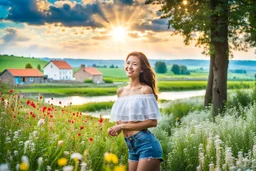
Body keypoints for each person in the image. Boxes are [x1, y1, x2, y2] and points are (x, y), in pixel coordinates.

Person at [107, 52, 163, 171]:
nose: (130, 67)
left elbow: (153, 122)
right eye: (128, 63)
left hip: (146, 144)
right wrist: (116, 128)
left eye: (135, 64)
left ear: (142, 69)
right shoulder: (121, 92)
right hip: (131, 147)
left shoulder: (145, 90)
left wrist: (121, 126)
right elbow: (122, 122)